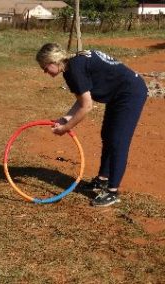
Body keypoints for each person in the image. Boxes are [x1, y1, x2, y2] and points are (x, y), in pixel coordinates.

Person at [36, 43, 147, 207]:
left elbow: (86, 106)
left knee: (118, 141)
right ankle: (102, 180)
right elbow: (81, 98)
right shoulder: (71, 67)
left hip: (130, 93)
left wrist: (66, 128)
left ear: (54, 61)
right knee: (107, 135)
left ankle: (113, 192)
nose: (45, 72)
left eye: (45, 67)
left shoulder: (74, 69)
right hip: (118, 94)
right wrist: (66, 118)